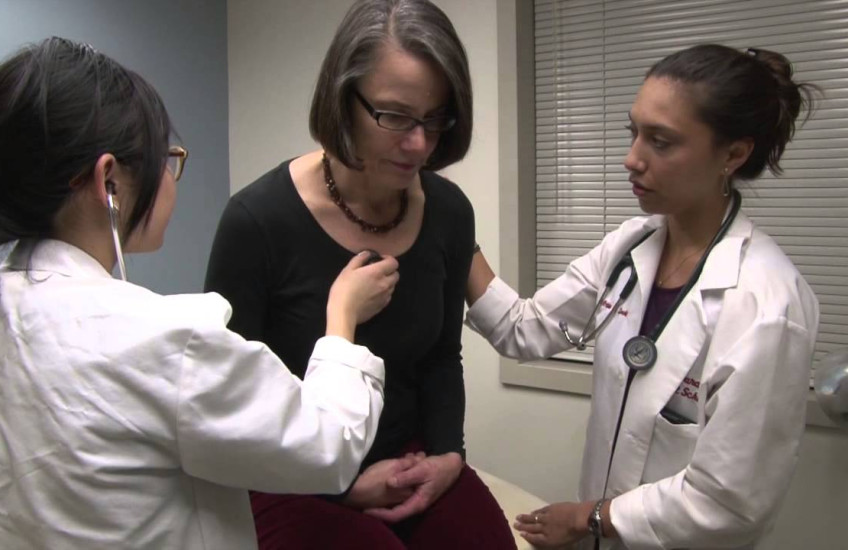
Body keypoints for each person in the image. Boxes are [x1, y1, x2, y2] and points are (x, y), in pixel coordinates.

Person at [0, 37, 400, 549]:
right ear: (110, 182)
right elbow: (328, 447)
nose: (171, 178)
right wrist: (341, 319)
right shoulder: (158, 342)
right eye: (165, 159)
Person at [465, 44, 820, 550]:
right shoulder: (630, 247)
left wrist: (590, 518)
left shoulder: (767, 305)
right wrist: (454, 232)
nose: (632, 159)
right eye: (634, 132)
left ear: (733, 154)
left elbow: (729, 501)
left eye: (661, 141)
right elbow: (523, 329)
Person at [204, 1, 516, 548]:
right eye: (395, 116)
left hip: (409, 455)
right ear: (341, 100)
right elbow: (230, 402)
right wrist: (339, 488)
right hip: (288, 474)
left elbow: (442, 356)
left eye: (435, 119)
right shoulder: (256, 221)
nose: (419, 144)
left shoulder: (448, 212)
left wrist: (448, 457)